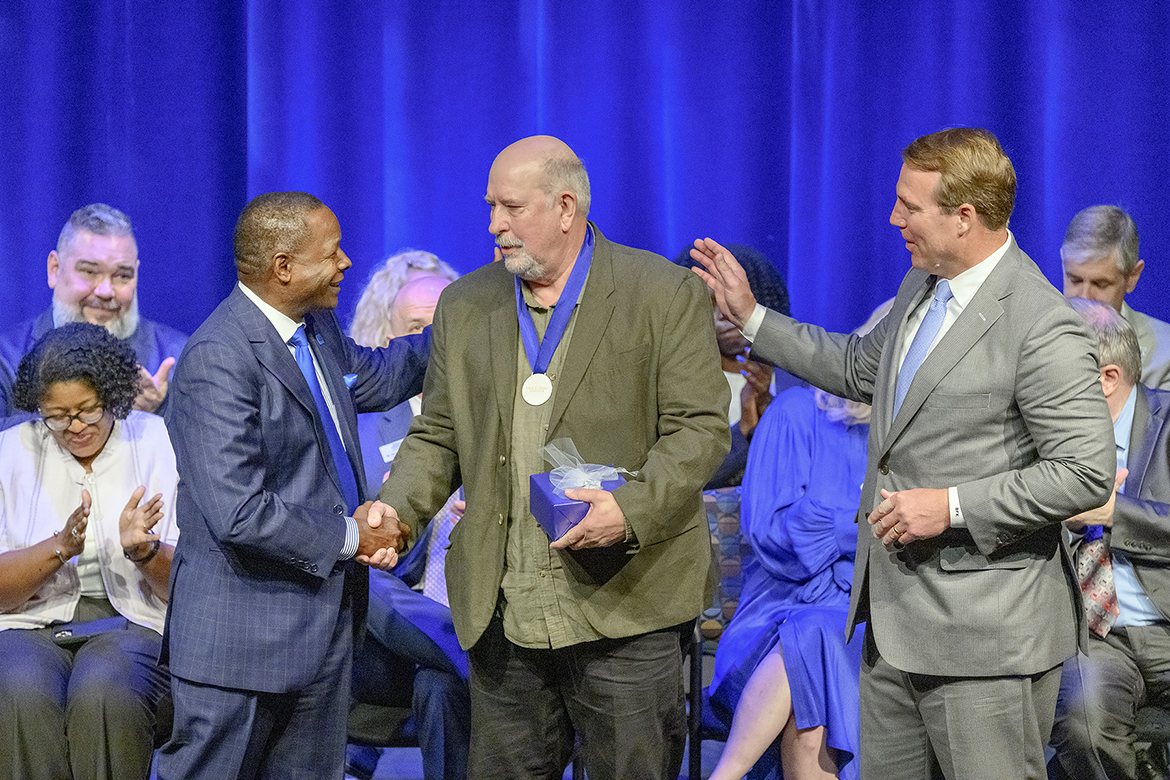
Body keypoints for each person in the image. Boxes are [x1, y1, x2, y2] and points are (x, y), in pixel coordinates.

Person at [692, 127, 1116, 779]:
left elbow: (1084, 474)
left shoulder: (1041, 325)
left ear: (964, 217)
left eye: (909, 207)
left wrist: (948, 507)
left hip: (984, 637)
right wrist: (752, 320)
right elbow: (862, 366)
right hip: (891, 624)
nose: (895, 219)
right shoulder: (925, 283)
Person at [369, 135, 730, 780]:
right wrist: (397, 512)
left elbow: (700, 432)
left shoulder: (662, 294)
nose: (494, 226)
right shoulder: (467, 304)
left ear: (566, 207)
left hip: (627, 608)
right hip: (505, 619)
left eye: (511, 208)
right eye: (490, 209)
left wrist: (629, 508)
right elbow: (439, 434)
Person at [156, 191, 430, 780]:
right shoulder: (217, 358)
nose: (347, 263)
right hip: (240, 649)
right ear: (283, 267)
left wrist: (472, 320)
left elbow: (380, 376)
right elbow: (239, 511)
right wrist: (351, 536)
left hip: (321, 635)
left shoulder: (317, 328)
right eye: (331, 253)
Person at [706, 302, 890, 780]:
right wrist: (860, 531)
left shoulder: (912, 440)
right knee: (818, 638)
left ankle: (726, 773)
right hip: (775, 614)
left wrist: (843, 530)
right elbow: (769, 537)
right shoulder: (793, 413)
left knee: (823, 657)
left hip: (873, 616)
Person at [0, 322, 178, 780]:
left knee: (105, 689)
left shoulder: (157, 442)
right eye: (56, 416)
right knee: (17, 689)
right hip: (30, 624)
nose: (74, 427)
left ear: (114, 396)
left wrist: (145, 552)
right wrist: (59, 548)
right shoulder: (10, 452)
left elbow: (187, 588)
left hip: (134, 623)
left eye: (87, 411)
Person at [347, 266, 469, 780]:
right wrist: (401, 506)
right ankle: (472, 656)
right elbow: (354, 530)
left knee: (439, 687)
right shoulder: (363, 421)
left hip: (477, 598)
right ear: (393, 340)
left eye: (442, 328)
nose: (430, 343)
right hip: (389, 623)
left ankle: (464, 656)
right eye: (418, 329)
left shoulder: (496, 408)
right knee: (358, 579)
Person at [1049, 298, 1170, 780]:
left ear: (1107, 378)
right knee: (1083, 724)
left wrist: (1118, 514)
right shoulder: (1043, 438)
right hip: (1097, 637)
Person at [0, 204, 188, 430]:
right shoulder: (6, 360)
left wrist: (154, 415)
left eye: (122, 275)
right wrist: (113, 418)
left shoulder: (177, 357)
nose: (106, 291)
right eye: (89, 271)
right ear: (54, 269)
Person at [673, 244, 798, 488]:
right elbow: (680, 478)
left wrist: (767, 406)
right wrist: (743, 429)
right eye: (710, 302)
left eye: (731, 300)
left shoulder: (800, 381)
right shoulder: (675, 386)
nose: (724, 314)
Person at [1061, 205, 1170, 389]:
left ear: (1132, 277)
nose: (1084, 297)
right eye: (1075, 280)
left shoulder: (1164, 356)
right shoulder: (1031, 336)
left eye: (1100, 284)